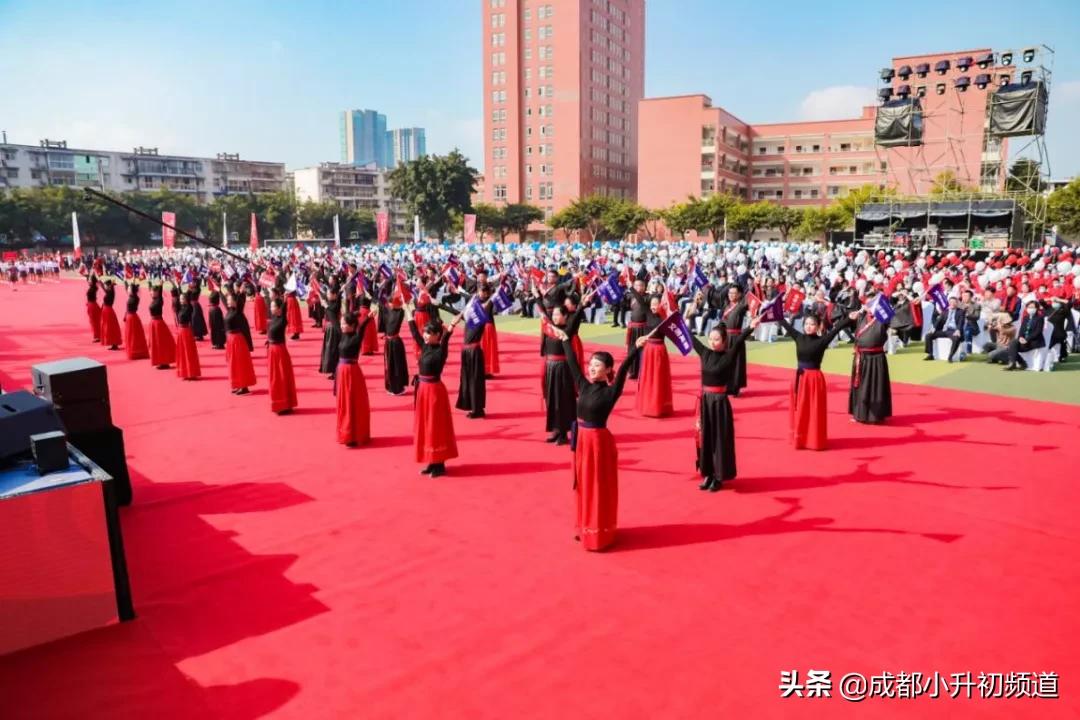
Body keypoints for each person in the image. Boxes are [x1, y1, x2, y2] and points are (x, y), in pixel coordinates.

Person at [549, 326, 639, 551]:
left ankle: (599, 532)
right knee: (581, 484)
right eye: (591, 364)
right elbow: (572, 363)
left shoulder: (611, 391)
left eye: (597, 365)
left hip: (599, 443)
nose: (591, 368)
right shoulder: (583, 385)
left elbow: (625, 367)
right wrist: (565, 340)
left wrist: (636, 349)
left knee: (598, 487)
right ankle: (583, 526)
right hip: (581, 442)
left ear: (608, 369)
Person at [686, 312, 760, 491]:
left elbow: (740, 339)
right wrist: (677, 317)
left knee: (719, 440)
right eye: (710, 338)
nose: (712, 342)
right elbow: (691, 337)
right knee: (705, 439)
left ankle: (719, 477)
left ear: (724, 341)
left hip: (719, 403)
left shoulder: (729, 355)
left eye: (717, 339)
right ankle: (708, 474)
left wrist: (751, 326)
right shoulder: (704, 353)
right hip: (705, 402)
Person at [776, 313, 850, 450]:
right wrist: (773, 312)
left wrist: (849, 318)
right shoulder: (798, 337)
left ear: (818, 326)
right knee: (799, 409)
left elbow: (837, 329)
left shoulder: (822, 340)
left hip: (814, 379)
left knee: (813, 410)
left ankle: (814, 440)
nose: (809, 327)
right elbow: (783, 322)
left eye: (812, 324)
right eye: (806, 324)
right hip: (799, 378)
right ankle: (800, 438)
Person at [408, 307, 459, 476]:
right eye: (425, 333)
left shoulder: (440, 350)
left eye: (428, 333)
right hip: (423, 390)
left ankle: (439, 463)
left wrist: (451, 326)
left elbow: (446, 339)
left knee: (435, 426)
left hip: (435, 392)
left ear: (437, 335)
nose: (425, 336)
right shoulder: (425, 346)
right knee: (425, 426)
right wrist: (408, 311)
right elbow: (414, 332)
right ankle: (431, 460)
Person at [848, 296, 891, 424]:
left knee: (875, 387)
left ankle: (876, 416)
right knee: (860, 387)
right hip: (861, 358)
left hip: (876, 358)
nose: (870, 307)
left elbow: (892, 318)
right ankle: (859, 414)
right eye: (868, 304)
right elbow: (849, 321)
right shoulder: (861, 317)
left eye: (873, 304)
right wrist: (855, 314)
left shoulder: (883, 319)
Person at [540, 305, 579, 445]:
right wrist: (537, 295)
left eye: (558, 314)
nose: (555, 317)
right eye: (554, 315)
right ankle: (555, 429)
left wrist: (582, 305)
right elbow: (543, 311)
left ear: (565, 316)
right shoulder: (550, 329)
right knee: (551, 400)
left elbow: (577, 316)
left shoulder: (568, 329)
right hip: (550, 368)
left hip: (563, 369)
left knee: (562, 401)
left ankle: (563, 433)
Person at [455, 287, 492, 418]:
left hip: (475, 352)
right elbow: (461, 312)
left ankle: (478, 409)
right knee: (466, 380)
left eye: (484, 292)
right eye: (480, 292)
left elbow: (486, 305)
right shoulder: (470, 316)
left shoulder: (482, 315)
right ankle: (471, 406)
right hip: (466, 351)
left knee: (475, 381)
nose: (481, 294)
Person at [336, 311, 373, 446]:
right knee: (344, 403)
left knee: (353, 402)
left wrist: (368, 317)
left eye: (344, 324)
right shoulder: (343, 335)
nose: (341, 326)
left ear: (352, 326)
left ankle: (354, 434)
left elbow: (362, 328)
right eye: (341, 323)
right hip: (342, 371)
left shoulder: (356, 338)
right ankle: (346, 433)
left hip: (352, 372)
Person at [635, 294, 674, 418]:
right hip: (648, 349)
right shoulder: (648, 313)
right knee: (647, 377)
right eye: (652, 304)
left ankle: (659, 407)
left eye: (656, 304)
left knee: (658, 378)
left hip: (659, 350)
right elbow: (640, 300)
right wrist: (631, 286)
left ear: (661, 305)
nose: (653, 306)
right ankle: (647, 406)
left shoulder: (666, 318)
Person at [266, 298, 298, 415]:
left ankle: (285, 404)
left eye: (273, 306)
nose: (271, 308)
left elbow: (284, 309)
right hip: (272, 351)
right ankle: (280, 404)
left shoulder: (283, 319)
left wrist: (284, 298)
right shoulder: (273, 318)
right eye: (271, 306)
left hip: (279, 352)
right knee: (275, 378)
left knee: (282, 377)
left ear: (279, 309)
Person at [225, 292, 256, 395]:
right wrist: (220, 290)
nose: (228, 301)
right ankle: (238, 384)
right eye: (228, 300)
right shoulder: (229, 310)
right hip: (230, 340)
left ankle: (244, 386)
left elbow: (241, 300)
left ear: (235, 302)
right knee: (233, 364)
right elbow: (223, 299)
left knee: (239, 363)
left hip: (237, 340)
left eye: (230, 300)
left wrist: (240, 292)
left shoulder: (238, 311)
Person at [922, 296, 967, 362]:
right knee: (928, 335)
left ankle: (950, 356)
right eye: (951, 302)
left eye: (954, 302)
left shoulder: (961, 312)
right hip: (944, 330)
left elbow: (961, 322)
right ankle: (930, 354)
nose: (952, 304)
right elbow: (939, 321)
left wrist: (958, 330)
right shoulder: (945, 311)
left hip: (953, 330)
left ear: (957, 303)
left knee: (956, 338)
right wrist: (934, 328)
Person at [381, 293, 409, 395]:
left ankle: (398, 387)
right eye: (388, 302)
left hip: (396, 342)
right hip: (388, 342)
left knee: (397, 365)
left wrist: (402, 298)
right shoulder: (388, 311)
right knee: (389, 365)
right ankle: (390, 386)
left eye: (391, 302)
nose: (389, 304)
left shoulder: (400, 312)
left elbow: (404, 305)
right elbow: (381, 301)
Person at [1005, 300, 1045, 371]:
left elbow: (1038, 332)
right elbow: (1021, 330)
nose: (1030, 309)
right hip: (1023, 340)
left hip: (1034, 341)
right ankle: (1016, 363)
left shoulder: (1040, 318)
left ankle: (1019, 363)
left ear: (1037, 308)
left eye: (1032, 307)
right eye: (1029, 307)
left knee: (1012, 346)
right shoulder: (1026, 318)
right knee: (1012, 344)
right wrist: (1020, 338)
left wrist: (1027, 339)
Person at [175, 291, 202, 380]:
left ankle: (191, 372)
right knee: (182, 353)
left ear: (187, 299)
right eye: (180, 299)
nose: (181, 300)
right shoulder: (181, 308)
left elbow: (189, 300)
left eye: (182, 299)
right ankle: (185, 372)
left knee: (188, 352)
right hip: (181, 331)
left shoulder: (189, 308)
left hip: (186, 331)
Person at [148, 284, 175, 369]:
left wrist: (161, 285)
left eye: (154, 291)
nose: (153, 293)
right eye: (152, 291)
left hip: (158, 324)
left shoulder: (160, 300)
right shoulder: (153, 300)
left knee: (161, 344)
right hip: (153, 323)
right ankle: (160, 361)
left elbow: (159, 292)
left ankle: (164, 361)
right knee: (156, 344)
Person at [319, 282, 343, 379]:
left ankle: (336, 371)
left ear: (334, 295)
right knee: (329, 351)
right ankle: (333, 370)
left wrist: (326, 306)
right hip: (329, 329)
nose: (327, 295)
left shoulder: (336, 304)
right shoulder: (330, 303)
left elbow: (332, 312)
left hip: (334, 330)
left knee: (333, 351)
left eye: (329, 294)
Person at [123, 282, 149, 360]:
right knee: (131, 335)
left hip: (132, 317)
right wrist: (126, 282)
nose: (127, 290)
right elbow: (127, 288)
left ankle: (136, 352)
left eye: (129, 289)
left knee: (133, 336)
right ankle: (133, 351)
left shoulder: (135, 298)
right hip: (130, 317)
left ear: (132, 290)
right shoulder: (132, 296)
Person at [99, 279, 123, 351]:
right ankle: (113, 343)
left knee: (110, 327)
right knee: (109, 328)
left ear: (109, 286)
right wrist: (102, 285)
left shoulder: (111, 292)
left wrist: (111, 284)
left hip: (108, 311)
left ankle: (114, 343)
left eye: (106, 285)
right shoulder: (109, 291)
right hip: (107, 311)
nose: (105, 287)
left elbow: (108, 290)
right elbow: (106, 290)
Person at [86, 276, 102, 343]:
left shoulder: (93, 288)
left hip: (92, 306)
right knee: (94, 322)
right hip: (92, 305)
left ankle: (97, 336)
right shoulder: (93, 287)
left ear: (92, 281)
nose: (88, 281)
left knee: (94, 322)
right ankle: (98, 335)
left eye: (89, 280)